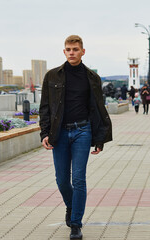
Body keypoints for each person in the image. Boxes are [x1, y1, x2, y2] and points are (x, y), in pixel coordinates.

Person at [39, 35, 112, 239]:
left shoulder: (92, 78)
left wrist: (99, 139)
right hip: (59, 133)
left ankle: (76, 224)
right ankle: (72, 207)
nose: (72, 52)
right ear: (64, 52)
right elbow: (44, 107)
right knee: (62, 179)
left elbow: (97, 110)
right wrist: (44, 133)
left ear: (82, 51)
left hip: (83, 130)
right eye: (68, 49)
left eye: (75, 49)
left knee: (79, 179)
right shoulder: (52, 76)